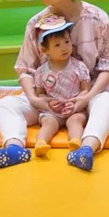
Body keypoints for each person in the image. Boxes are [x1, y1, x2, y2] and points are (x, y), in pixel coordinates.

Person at [0, 0, 109, 172]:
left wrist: (86, 97)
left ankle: (86, 149)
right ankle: (14, 148)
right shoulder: (36, 23)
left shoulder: (97, 18)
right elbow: (25, 69)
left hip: (87, 96)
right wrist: (36, 99)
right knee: (5, 104)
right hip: (48, 100)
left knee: (107, 102)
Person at [31, 21, 93, 160]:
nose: (64, 48)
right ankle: (41, 143)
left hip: (74, 108)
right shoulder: (41, 71)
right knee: (48, 123)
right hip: (53, 111)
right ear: (45, 50)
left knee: (76, 121)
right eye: (57, 45)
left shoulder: (78, 66)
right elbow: (40, 93)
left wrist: (76, 103)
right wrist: (49, 103)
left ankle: (76, 142)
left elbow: (85, 89)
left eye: (67, 42)